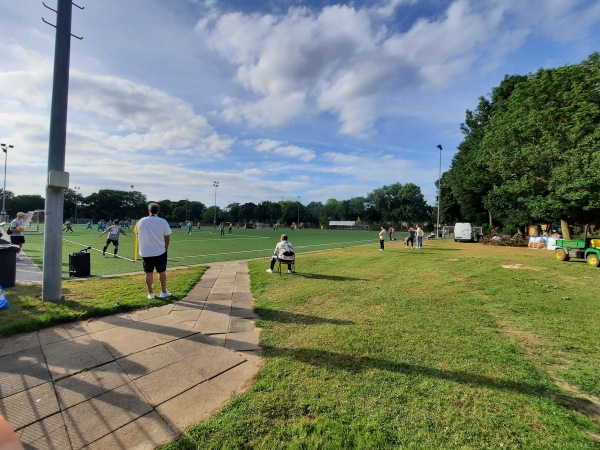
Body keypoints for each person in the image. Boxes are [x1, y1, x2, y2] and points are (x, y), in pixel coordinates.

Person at [136, 203, 172, 299]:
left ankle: (151, 294)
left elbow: (137, 234)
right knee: (162, 271)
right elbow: (167, 236)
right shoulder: (162, 221)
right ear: (158, 211)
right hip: (160, 250)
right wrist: (166, 248)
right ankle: (163, 292)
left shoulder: (140, 221)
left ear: (149, 211)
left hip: (146, 251)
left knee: (148, 272)